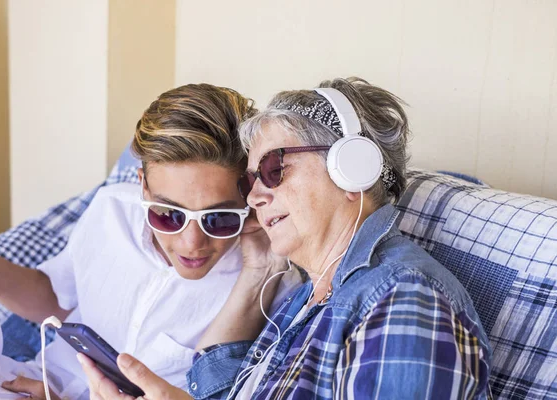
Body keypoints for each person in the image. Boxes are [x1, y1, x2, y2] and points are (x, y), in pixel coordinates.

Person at [80, 77, 492, 399]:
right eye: (251, 180)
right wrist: (258, 270)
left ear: (351, 171)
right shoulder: (305, 299)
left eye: (274, 169)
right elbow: (215, 387)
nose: (256, 196)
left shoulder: (404, 298)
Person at [0, 84, 302, 400]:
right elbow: (56, 298)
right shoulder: (111, 210)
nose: (192, 242)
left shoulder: (271, 280)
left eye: (219, 218)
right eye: (169, 214)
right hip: (28, 381)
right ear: (143, 186)